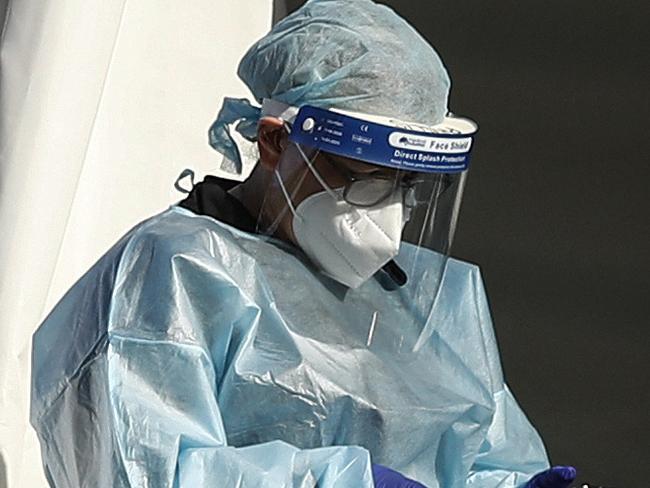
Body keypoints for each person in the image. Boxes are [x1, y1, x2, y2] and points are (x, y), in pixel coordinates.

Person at [30, 1, 576, 487]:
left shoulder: (423, 300)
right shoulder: (173, 274)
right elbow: (144, 467)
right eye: (366, 178)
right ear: (274, 141)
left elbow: (478, 452)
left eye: (407, 185)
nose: (389, 213)